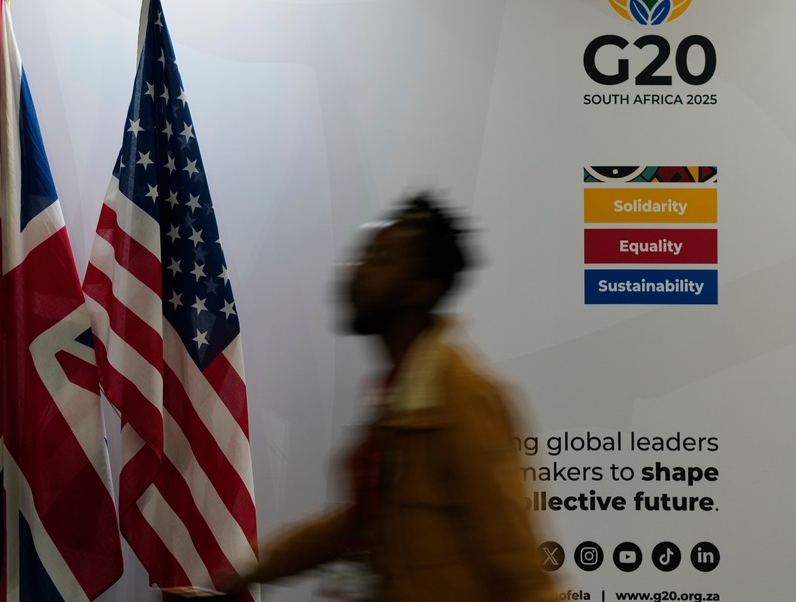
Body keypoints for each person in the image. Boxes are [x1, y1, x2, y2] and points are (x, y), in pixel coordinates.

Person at [223, 193, 555, 602]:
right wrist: (245, 575)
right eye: (364, 256)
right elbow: (364, 521)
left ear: (422, 289)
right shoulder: (403, 389)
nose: (357, 271)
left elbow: (518, 558)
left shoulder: (463, 395)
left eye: (381, 260)